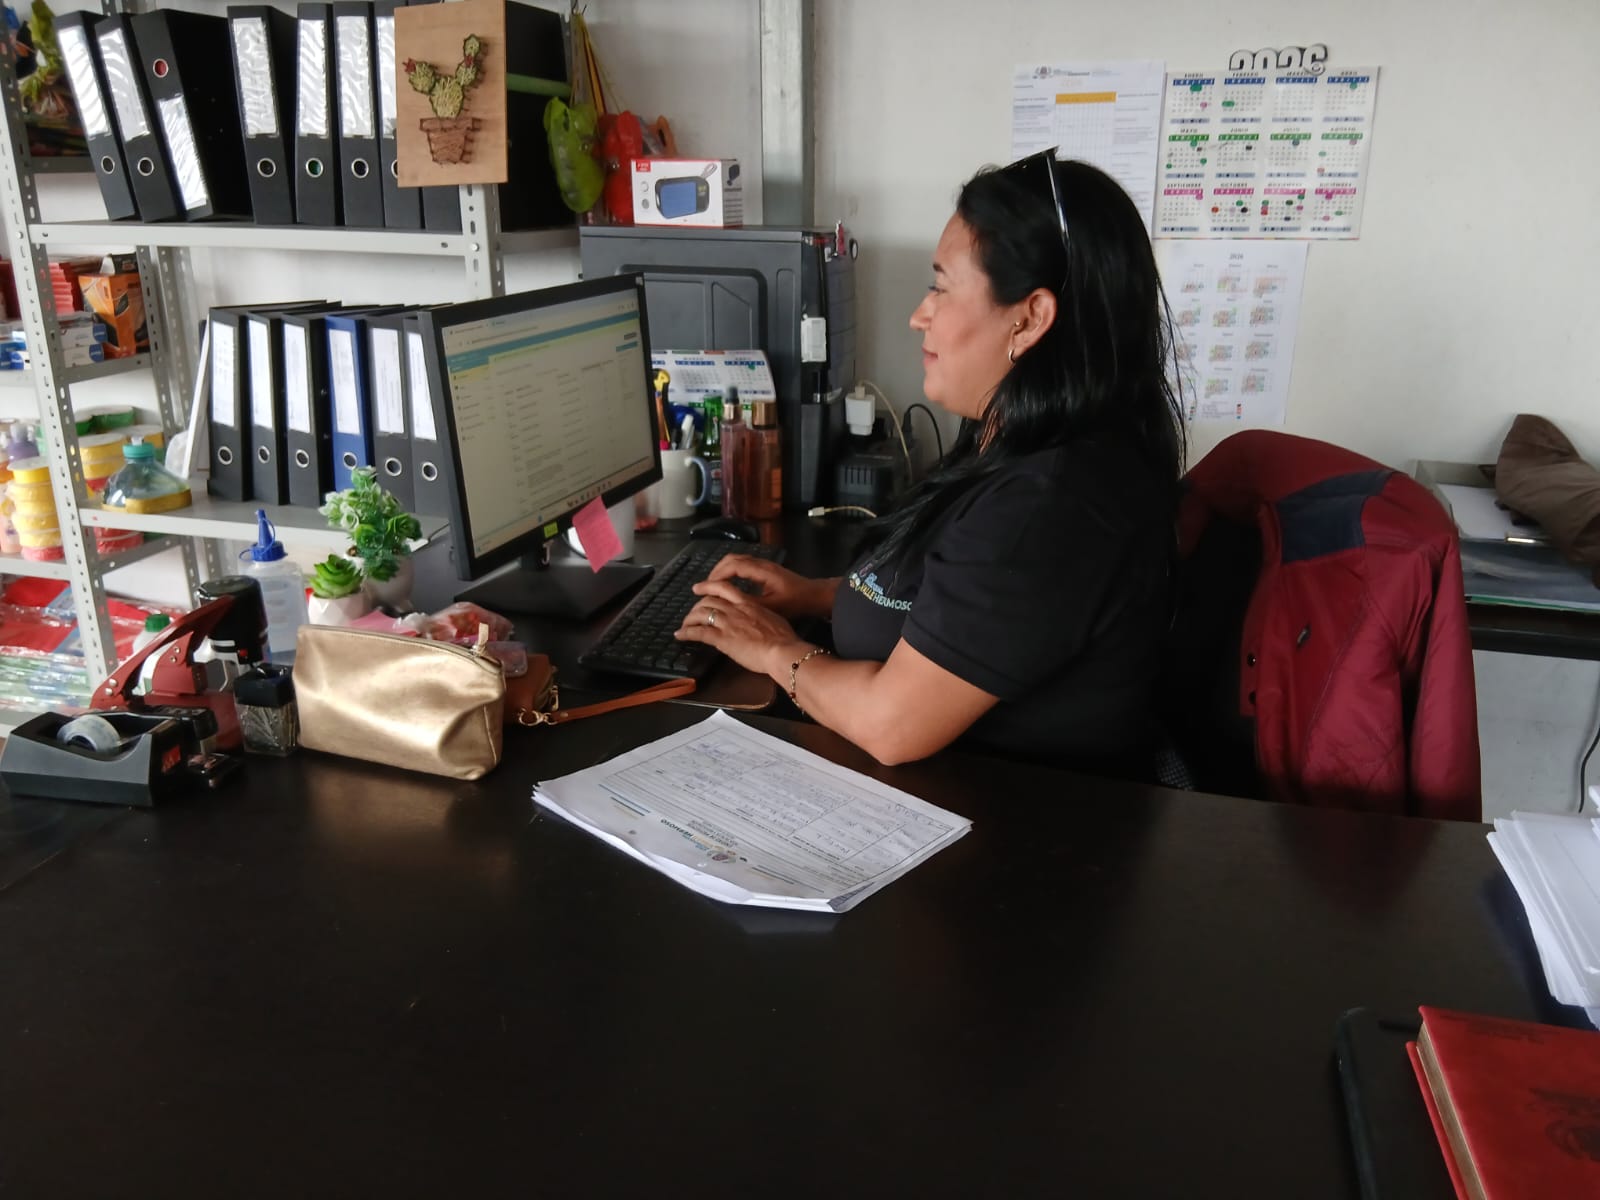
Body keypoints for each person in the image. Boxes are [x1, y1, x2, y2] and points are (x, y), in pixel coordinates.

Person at [675, 152, 1186, 775]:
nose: (919, 314)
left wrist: (774, 649)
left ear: (1029, 318)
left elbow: (891, 726)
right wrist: (816, 596)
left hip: (1005, 816)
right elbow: (953, 598)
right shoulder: (1015, 440)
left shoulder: (1050, 505)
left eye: (941, 286)